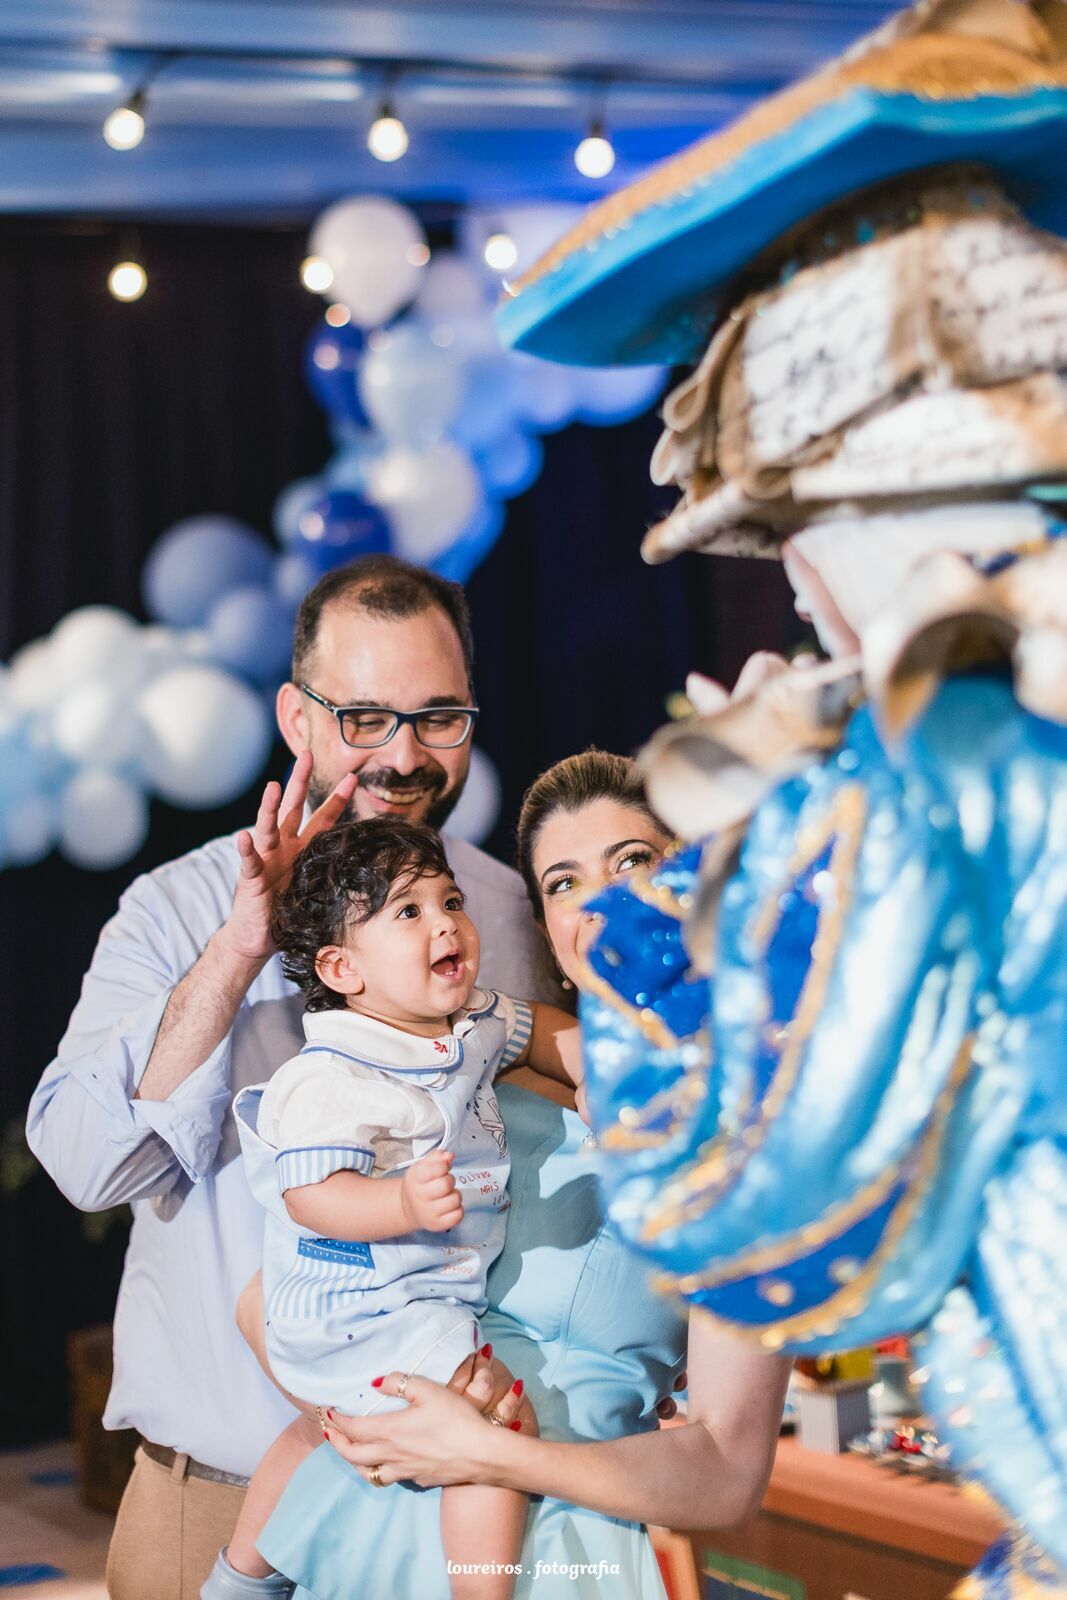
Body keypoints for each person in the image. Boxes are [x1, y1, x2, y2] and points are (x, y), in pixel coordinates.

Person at [494, 1, 1067, 1591]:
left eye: (781, 544)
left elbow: (766, 1223)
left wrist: (710, 909)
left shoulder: (942, 780)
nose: (796, 610)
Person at [26, 555, 559, 1600]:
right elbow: (89, 1165)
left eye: (437, 715)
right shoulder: (176, 911)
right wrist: (237, 950)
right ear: (297, 719)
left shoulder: (502, 909)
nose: (403, 755)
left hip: (455, 1493)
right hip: (226, 1500)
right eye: (362, 716)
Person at [239, 751, 790, 1600]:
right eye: (562, 882)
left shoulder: (746, 1141)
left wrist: (488, 1452)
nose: (601, 901)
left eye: (633, 861)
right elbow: (269, 1297)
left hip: (555, 1557)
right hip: (369, 1521)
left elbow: (725, 1472)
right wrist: (372, 1414)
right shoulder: (468, 1077)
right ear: (544, 923)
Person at [207, 817, 581, 1600]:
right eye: (408, 911)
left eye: (449, 900)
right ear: (342, 967)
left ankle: (241, 1580)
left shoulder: (468, 1019)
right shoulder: (329, 1075)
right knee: (497, 1427)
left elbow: (534, 1031)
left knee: (321, 1429)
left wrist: (604, 1070)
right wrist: (398, 1200)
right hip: (361, 1304)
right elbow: (310, 1196)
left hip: (415, 1293)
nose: (445, 920)